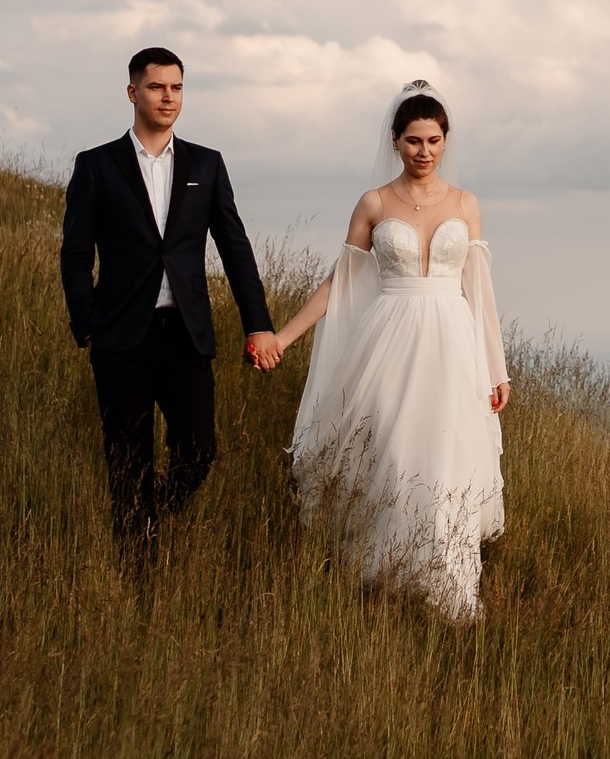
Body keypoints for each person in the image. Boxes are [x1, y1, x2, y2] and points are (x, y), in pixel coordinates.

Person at [268, 80, 510, 620]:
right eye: (413, 141)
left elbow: (481, 290)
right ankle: (385, 577)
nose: (424, 151)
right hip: (389, 340)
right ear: (395, 140)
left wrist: (497, 368)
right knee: (394, 452)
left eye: (434, 140)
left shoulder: (466, 203)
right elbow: (342, 279)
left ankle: (450, 592)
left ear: (446, 140)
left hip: (452, 342)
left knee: (447, 456)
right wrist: (284, 336)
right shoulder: (374, 202)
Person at [60, 47, 278, 548]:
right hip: (120, 336)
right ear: (132, 92)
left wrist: (258, 323)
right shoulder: (96, 166)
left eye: (177, 87)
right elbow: (75, 255)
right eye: (157, 87)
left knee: (198, 453)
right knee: (127, 462)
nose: (168, 97)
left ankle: (151, 513)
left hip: (186, 334)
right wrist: (87, 325)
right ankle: (138, 570)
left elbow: (235, 249)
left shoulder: (208, 164)